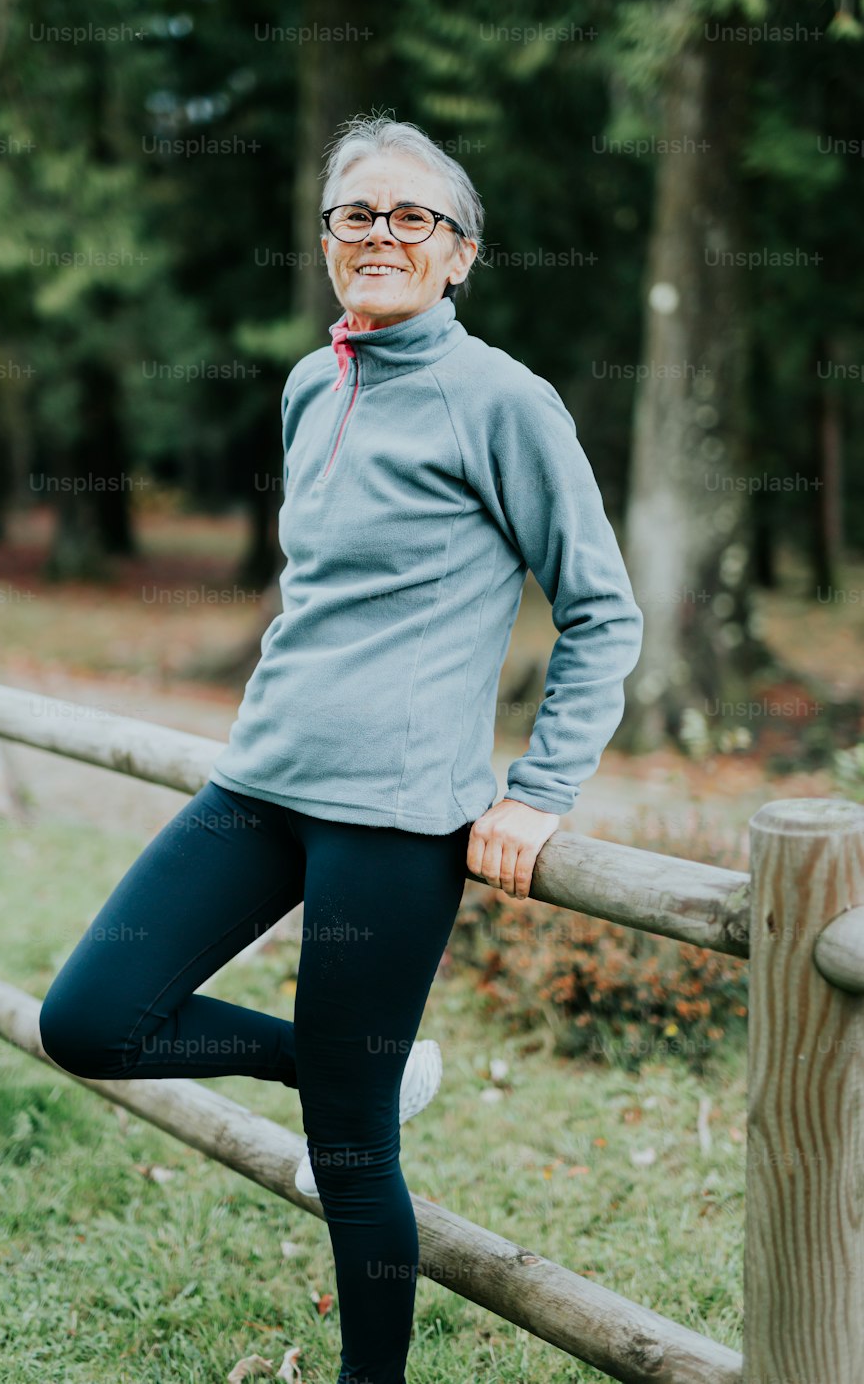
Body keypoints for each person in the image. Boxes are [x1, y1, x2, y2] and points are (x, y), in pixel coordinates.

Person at [38, 113, 644, 1384]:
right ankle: (342, 1064)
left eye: (411, 216)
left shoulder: (504, 402)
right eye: (355, 215)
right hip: (259, 785)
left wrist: (538, 792)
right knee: (89, 1019)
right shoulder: (313, 381)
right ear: (326, 244)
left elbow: (600, 611)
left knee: (353, 1152)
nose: (380, 235)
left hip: (395, 820)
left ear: (461, 253)